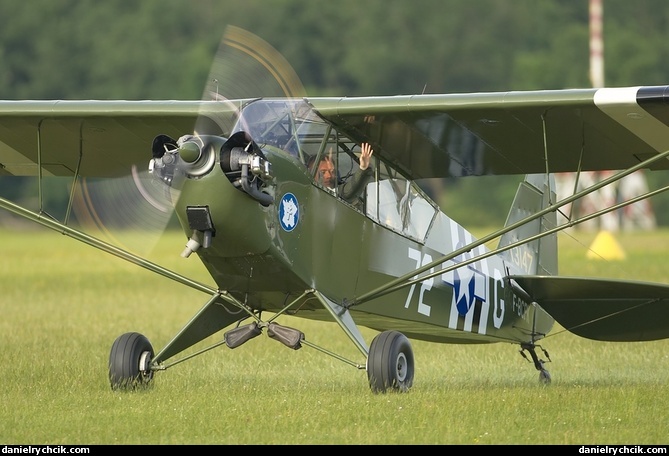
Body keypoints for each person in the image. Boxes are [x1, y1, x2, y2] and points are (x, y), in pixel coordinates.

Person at [310, 143, 374, 202]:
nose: (328, 175)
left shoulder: (335, 192)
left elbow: (347, 192)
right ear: (311, 171)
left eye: (332, 171)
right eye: (323, 172)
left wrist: (363, 169)